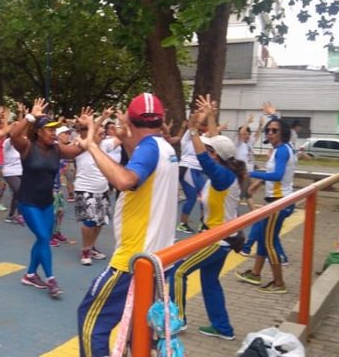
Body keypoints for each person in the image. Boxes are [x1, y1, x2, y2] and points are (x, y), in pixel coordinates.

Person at [75, 93, 179, 357]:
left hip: (132, 261)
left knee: (91, 321)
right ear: (162, 119)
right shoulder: (165, 148)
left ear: (131, 123)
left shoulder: (150, 149)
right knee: (137, 329)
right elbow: (139, 165)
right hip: (157, 258)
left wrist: (92, 146)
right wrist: (122, 138)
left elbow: (125, 180)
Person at [170, 95, 246, 341]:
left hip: (217, 239)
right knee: (210, 283)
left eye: (209, 148)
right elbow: (216, 147)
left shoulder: (222, 177)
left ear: (215, 155)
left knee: (179, 271)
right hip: (218, 237)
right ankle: (223, 329)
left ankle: (178, 320)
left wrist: (193, 129)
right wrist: (210, 116)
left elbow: (206, 156)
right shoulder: (225, 171)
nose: (204, 148)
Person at [9, 99, 83, 298]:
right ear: (39, 132)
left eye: (54, 130)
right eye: (49, 130)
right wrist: (30, 116)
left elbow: (78, 150)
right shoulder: (26, 146)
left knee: (42, 238)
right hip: (28, 202)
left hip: (46, 203)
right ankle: (51, 279)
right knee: (43, 237)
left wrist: (87, 130)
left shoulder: (57, 149)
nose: (53, 133)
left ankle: (30, 274)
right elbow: (14, 133)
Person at [235, 118, 296, 294]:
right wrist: (258, 183)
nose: (270, 133)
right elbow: (274, 174)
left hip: (279, 202)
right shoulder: (281, 149)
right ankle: (255, 273)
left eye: (274, 130)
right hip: (275, 200)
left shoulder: (282, 151)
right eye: (268, 130)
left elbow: (277, 175)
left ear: (282, 133)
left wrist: (250, 173)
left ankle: (279, 283)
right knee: (263, 236)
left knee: (269, 242)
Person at [73, 124, 111, 266]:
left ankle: (91, 246)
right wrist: (92, 123)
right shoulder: (81, 145)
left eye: (103, 133)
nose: (103, 135)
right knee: (88, 221)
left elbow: (122, 137)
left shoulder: (105, 145)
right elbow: (89, 132)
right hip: (85, 189)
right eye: (99, 133)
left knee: (100, 221)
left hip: (103, 189)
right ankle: (85, 250)